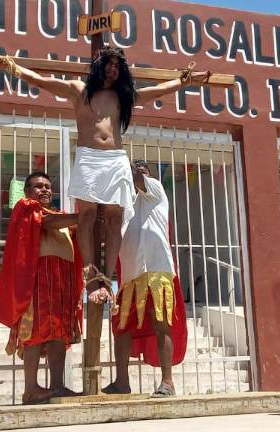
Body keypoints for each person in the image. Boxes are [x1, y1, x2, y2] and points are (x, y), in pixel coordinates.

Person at [0, 47, 210, 304]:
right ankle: (90, 275)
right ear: (98, 65)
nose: (113, 68)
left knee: (115, 218)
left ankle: (107, 277)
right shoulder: (79, 90)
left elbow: (155, 92)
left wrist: (185, 81)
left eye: (117, 65)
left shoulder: (123, 96)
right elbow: (41, 81)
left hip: (116, 159)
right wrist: (8, 65)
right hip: (89, 157)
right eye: (108, 63)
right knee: (86, 215)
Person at [0, 172, 84, 404]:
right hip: (38, 279)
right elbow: (45, 223)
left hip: (63, 280)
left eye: (47, 186)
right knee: (33, 333)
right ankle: (31, 390)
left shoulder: (61, 215)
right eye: (38, 186)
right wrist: (82, 217)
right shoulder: (26, 207)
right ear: (27, 191)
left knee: (58, 335)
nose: (44, 190)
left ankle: (58, 386)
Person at [102, 161, 187, 397]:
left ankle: (167, 382)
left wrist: (122, 166)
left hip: (157, 270)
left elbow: (138, 180)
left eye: (142, 167)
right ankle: (121, 382)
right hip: (129, 275)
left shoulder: (155, 189)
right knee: (121, 328)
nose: (138, 170)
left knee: (162, 325)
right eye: (135, 167)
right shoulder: (123, 203)